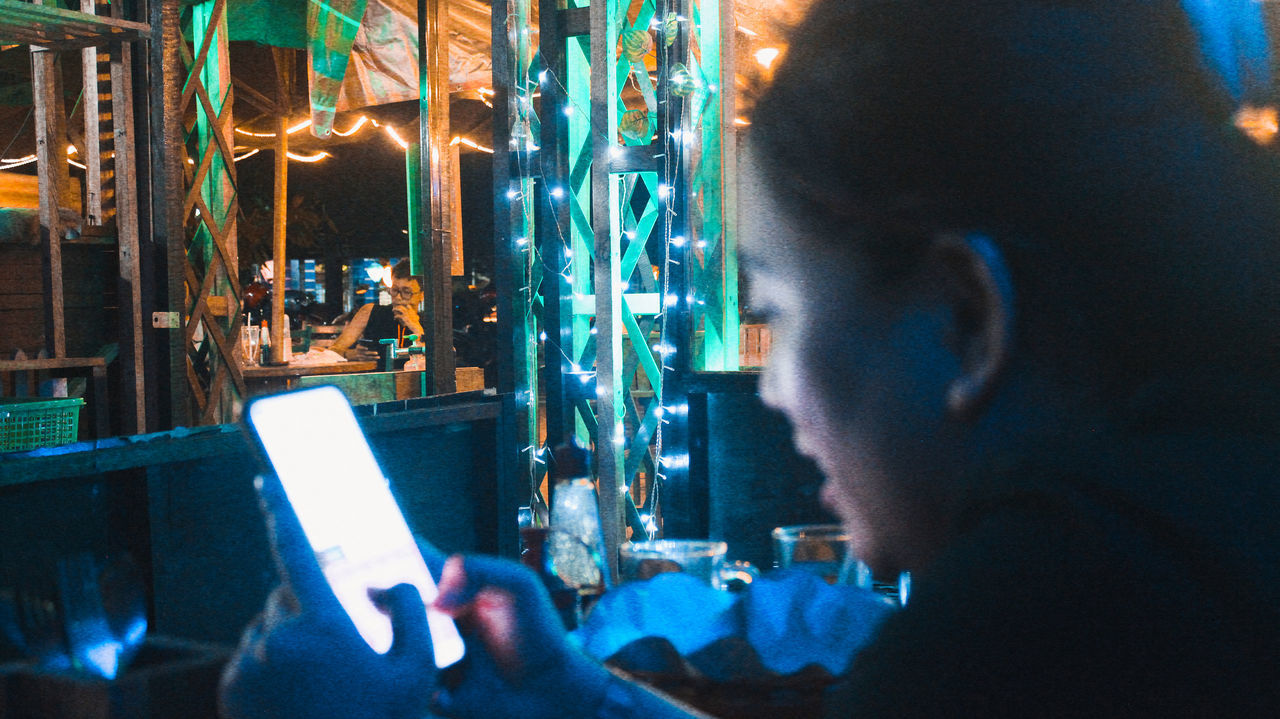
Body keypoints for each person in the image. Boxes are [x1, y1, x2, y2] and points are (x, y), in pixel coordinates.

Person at [219, 0, 1280, 716]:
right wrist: (570, 689)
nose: (769, 385)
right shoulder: (1199, 512)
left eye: (774, 303)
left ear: (967, 317)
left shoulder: (1044, 624)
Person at [328, 259, 427, 369]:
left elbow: (439, 360)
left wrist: (416, 328)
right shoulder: (370, 312)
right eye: (394, 290)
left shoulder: (432, 320)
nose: (398, 298)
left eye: (407, 292)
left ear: (421, 295)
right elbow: (332, 352)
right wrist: (351, 354)